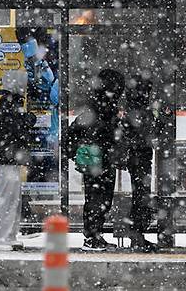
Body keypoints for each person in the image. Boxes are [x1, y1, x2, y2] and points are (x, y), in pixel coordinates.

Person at [66, 69, 124, 251]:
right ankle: (92, 236)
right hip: (101, 160)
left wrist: (75, 151)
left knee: (96, 198)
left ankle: (93, 235)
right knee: (99, 198)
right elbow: (107, 132)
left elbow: (73, 131)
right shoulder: (105, 108)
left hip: (95, 159)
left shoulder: (94, 105)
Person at [0, 91, 36, 251]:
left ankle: (8, 236)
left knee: (12, 200)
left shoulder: (1, 117)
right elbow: (19, 134)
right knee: (7, 200)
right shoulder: (8, 119)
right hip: (7, 163)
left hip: (9, 163)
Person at [114, 75, 160, 252]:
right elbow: (145, 134)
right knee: (142, 195)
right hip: (140, 158)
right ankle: (137, 233)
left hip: (138, 158)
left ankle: (137, 232)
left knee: (141, 195)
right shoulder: (140, 111)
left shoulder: (133, 110)